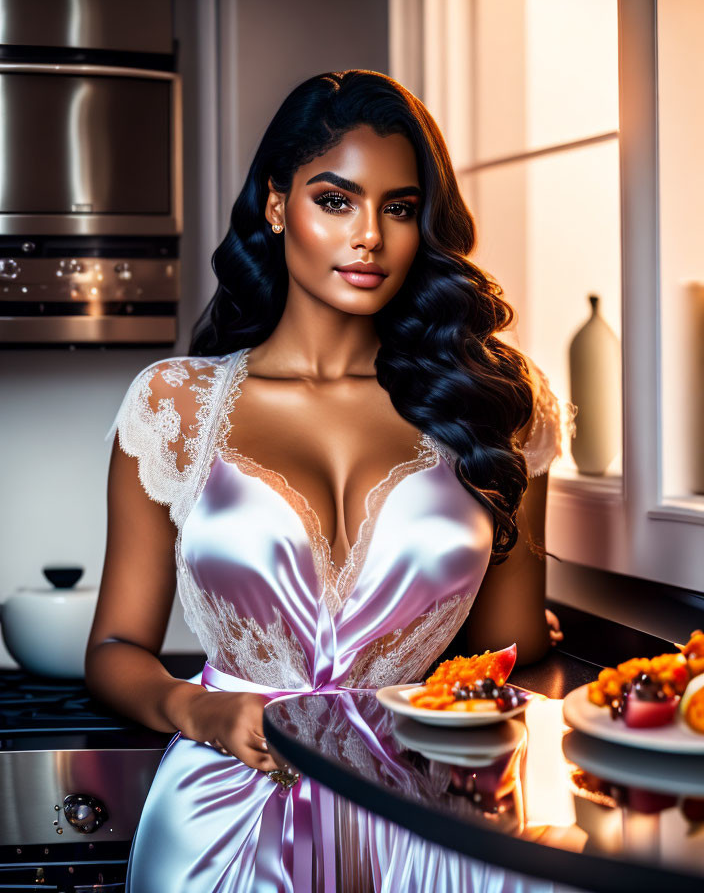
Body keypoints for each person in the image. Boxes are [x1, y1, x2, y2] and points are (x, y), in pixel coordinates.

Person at [86, 69, 573, 892]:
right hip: (226, 816)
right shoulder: (175, 406)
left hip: (435, 823)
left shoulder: (498, 406)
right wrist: (201, 709)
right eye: (336, 200)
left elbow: (507, 650)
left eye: (400, 208)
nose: (370, 238)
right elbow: (114, 649)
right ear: (278, 204)